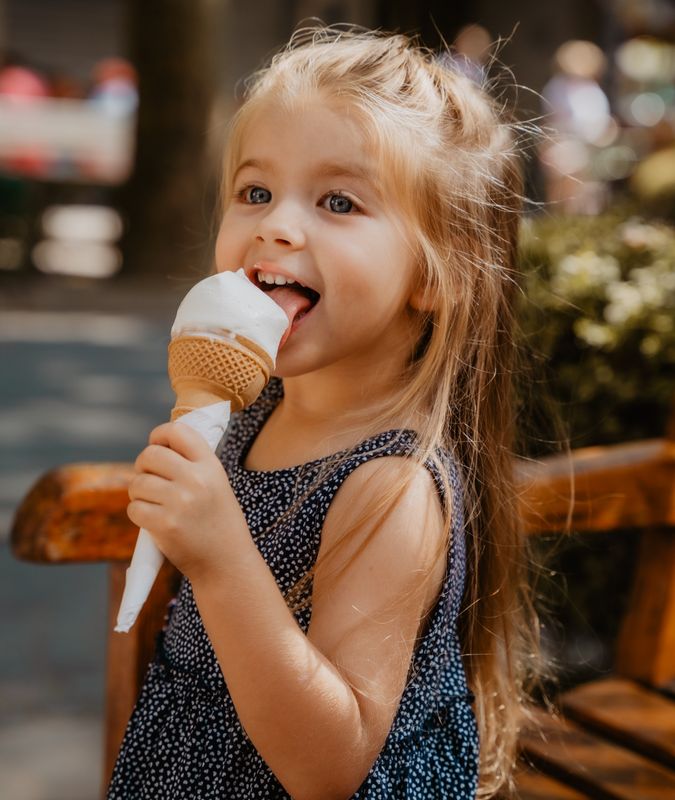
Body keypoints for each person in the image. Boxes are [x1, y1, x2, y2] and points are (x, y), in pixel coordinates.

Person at [107, 24, 539, 800]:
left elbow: (327, 768)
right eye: (254, 192)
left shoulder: (389, 489)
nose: (274, 224)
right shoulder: (255, 404)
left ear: (438, 277)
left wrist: (218, 557)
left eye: (338, 201)